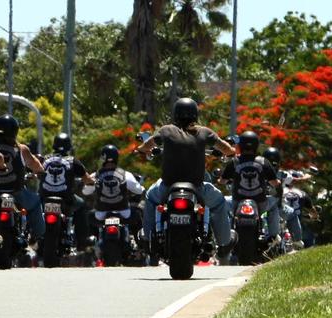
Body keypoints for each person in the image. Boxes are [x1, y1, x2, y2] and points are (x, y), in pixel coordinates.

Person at [136, 97, 237, 262]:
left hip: (167, 187)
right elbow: (225, 148)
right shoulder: (204, 132)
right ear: (195, 115)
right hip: (197, 188)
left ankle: (147, 239)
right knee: (219, 202)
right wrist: (231, 152)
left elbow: (147, 145)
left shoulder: (166, 130)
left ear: (175, 114)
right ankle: (224, 243)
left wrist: (141, 149)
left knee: (149, 197)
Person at [0, 114, 46, 248]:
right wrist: (41, 172)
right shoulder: (21, 149)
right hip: (16, 192)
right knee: (36, 202)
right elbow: (36, 166)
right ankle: (36, 236)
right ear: (15, 131)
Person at [219, 131, 282, 246]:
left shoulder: (234, 161)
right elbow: (275, 183)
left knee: (220, 203)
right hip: (260, 203)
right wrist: (278, 194)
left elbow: (222, 181)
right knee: (273, 206)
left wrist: (225, 179)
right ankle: (273, 237)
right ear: (256, 145)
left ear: (240, 145)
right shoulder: (263, 161)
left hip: (236, 202)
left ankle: (225, 234)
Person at [39, 133, 94, 250]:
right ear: (69, 146)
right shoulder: (73, 161)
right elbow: (87, 179)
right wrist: (92, 182)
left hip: (44, 197)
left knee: (33, 207)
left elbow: (36, 172)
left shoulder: (45, 159)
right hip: (66, 198)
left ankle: (32, 235)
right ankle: (82, 241)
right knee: (82, 206)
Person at [82, 144, 143, 237]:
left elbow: (85, 192)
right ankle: (139, 242)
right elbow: (138, 190)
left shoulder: (95, 175)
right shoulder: (125, 174)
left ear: (103, 158)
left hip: (101, 214)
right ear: (117, 157)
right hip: (124, 212)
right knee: (138, 213)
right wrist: (141, 188)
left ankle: (94, 242)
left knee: (89, 216)